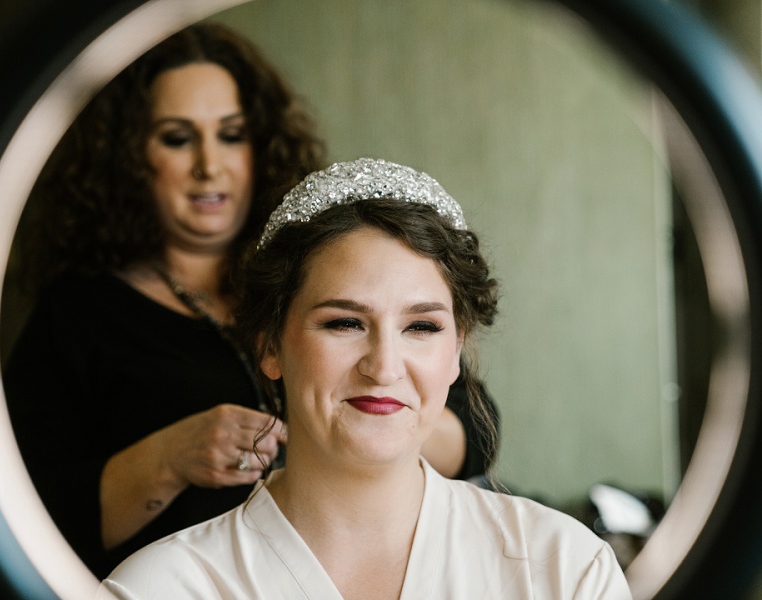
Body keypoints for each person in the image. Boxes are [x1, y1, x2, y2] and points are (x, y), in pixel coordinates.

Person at [3, 25, 498, 579]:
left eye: (231, 134)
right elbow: (27, 516)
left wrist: (361, 412)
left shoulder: (326, 271)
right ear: (129, 157)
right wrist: (168, 458)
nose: (209, 165)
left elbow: (475, 434)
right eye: (177, 137)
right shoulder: (78, 316)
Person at [101, 158, 632, 599]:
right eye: (344, 323)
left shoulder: (565, 570)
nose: (383, 365)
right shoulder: (161, 588)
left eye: (421, 326)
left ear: (456, 352)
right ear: (269, 344)